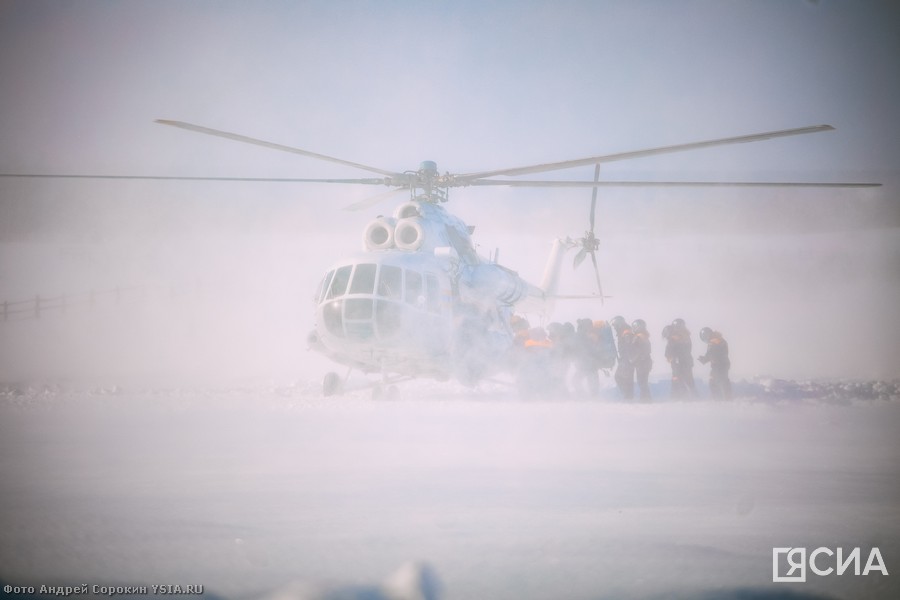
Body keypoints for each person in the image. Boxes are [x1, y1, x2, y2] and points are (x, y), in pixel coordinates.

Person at [663, 318, 697, 398]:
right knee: (678, 379)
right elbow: (668, 351)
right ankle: (676, 397)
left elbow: (685, 350)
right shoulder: (675, 338)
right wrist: (669, 356)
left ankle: (688, 397)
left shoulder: (685, 337)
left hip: (682, 362)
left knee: (684, 380)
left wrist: (673, 356)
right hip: (678, 362)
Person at [698, 327, 732, 400]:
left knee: (715, 381)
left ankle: (718, 398)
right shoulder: (717, 341)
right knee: (721, 381)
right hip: (722, 364)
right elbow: (711, 354)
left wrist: (705, 359)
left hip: (720, 365)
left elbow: (714, 354)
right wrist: (704, 359)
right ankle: (725, 398)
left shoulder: (715, 342)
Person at [610, 316, 634, 400]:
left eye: (615, 325)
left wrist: (625, 359)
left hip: (627, 360)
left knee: (619, 377)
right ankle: (629, 396)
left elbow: (628, 346)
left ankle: (628, 396)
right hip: (626, 359)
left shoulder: (626, 332)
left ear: (619, 324)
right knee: (626, 378)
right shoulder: (623, 331)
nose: (614, 327)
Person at [630, 319, 653, 401]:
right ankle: (646, 398)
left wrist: (632, 360)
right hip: (646, 361)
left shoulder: (638, 338)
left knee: (642, 382)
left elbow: (637, 351)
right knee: (643, 382)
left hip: (641, 363)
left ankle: (645, 399)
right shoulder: (645, 336)